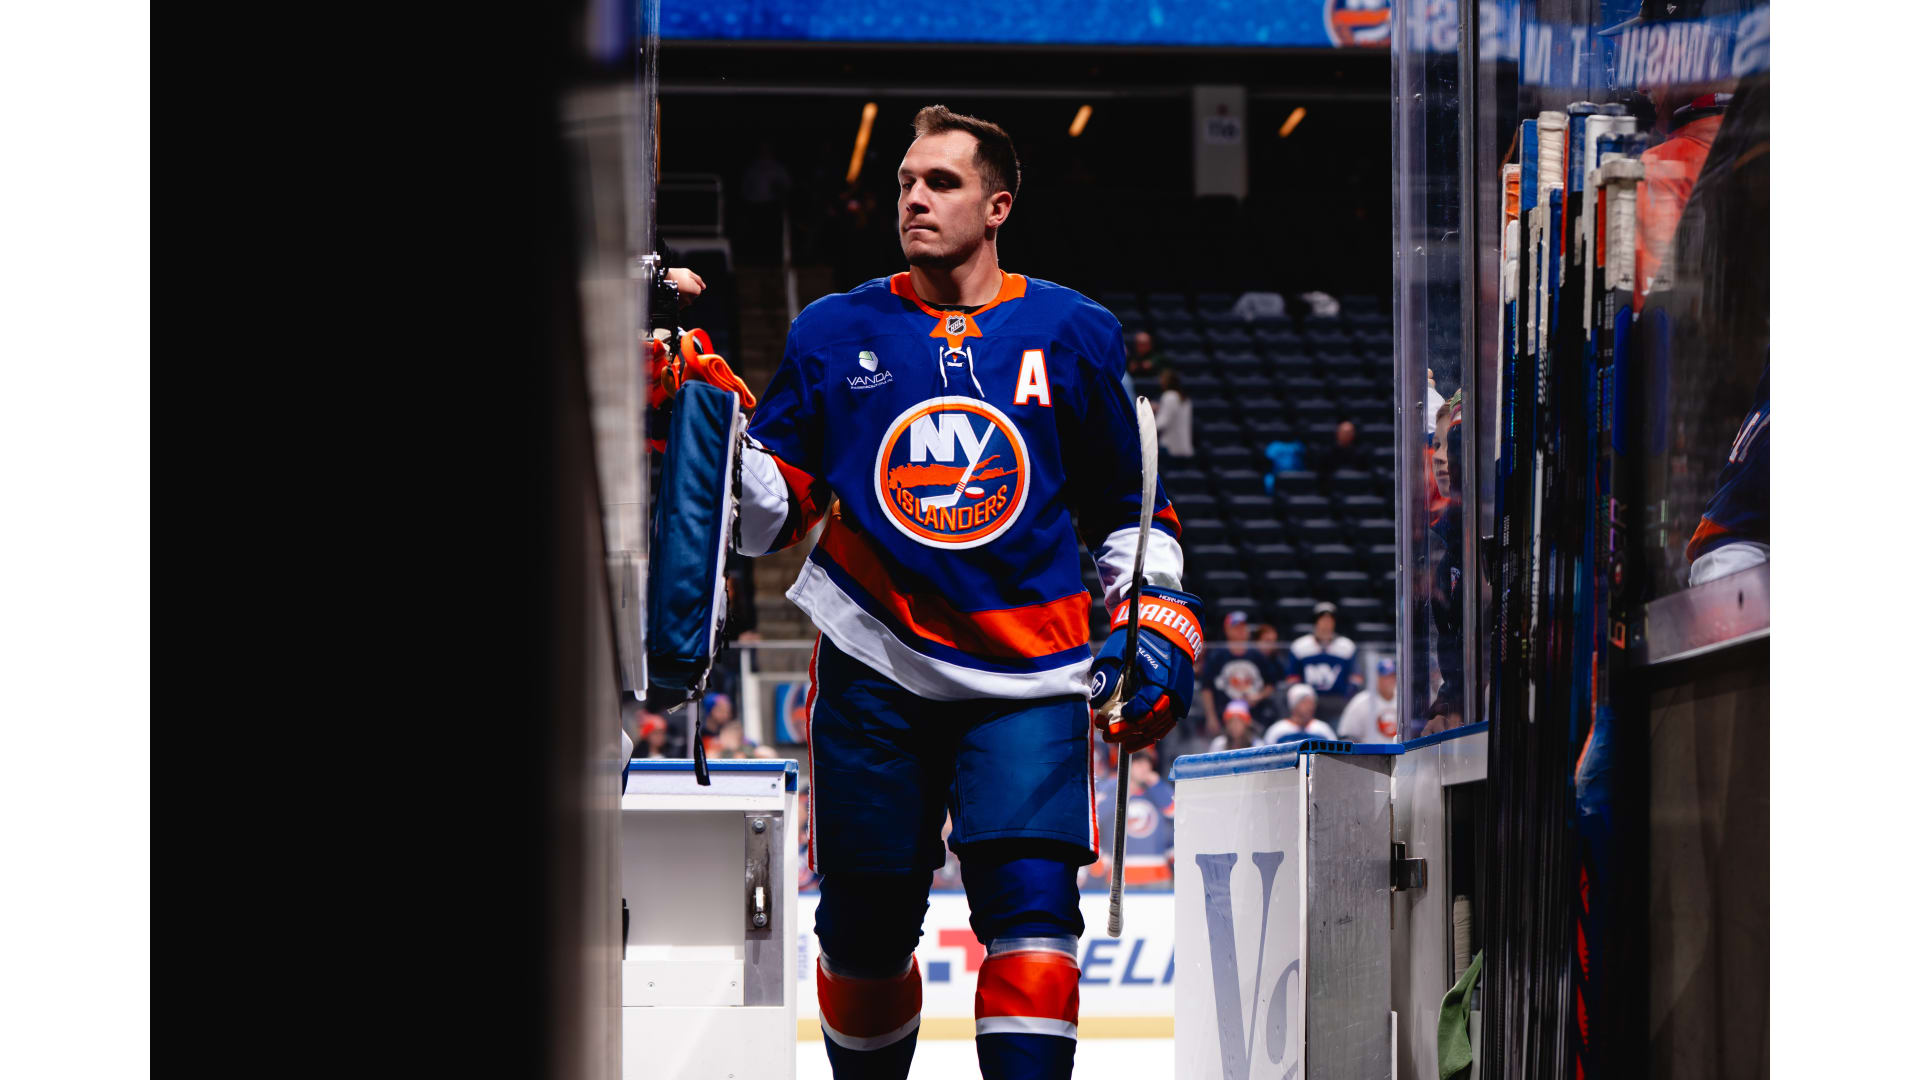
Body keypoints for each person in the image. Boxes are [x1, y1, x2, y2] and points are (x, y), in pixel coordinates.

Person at [723, 105, 1203, 1080]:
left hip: (1030, 676)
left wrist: (1153, 622)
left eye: (940, 182)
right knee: (861, 931)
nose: (914, 198)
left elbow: (1131, 505)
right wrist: (706, 430)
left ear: (997, 207)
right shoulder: (833, 331)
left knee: (1034, 923)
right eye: (905, 181)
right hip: (874, 661)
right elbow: (766, 519)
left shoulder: (1073, 332)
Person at [1091, 746, 1175, 891]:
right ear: (1127, 765)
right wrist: (1122, 793)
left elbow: (1174, 812)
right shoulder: (1110, 788)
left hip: (1157, 875)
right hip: (1120, 876)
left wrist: (1157, 785)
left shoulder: (1156, 790)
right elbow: (1095, 816)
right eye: (1139, 763)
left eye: (1148, 764)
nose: (1145, 768)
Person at [1200, 610, 1285, 734]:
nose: (1241, 630)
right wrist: (1211, 717)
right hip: (1223, 717)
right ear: (1227, 630)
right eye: (1236, 627)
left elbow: (1271, 684)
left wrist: (1259, 696)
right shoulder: (1217, 656)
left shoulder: (1257, 655)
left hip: (1254, 717)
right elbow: (1206, 688)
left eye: (1243, 626)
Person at [1288, 602, 1361, 723]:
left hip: (1337, 701)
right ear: (1316, 622)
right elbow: (1292, 678)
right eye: (1322, 619)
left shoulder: (1346, 646)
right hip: (1308, 702)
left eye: (1330, 620)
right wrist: (1301, 700)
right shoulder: (1300, 646)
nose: (1326, 624)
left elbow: (1355, 679)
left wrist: (1346, 699)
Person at [1337, 658, 1400, 744]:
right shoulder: (1361, 702)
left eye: (1393, 676)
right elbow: (1345, 735)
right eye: (1386, 677)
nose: (1390, 680)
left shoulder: (1402, 701)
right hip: (1370, 751)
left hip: (1399, 751)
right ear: (1377, 678)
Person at [1265, 684, 1337, 744]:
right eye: (1304, 703)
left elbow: (1335, 754)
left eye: (1312, 703)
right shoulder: (1277, 730)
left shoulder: (1323, 729)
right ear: (1293, 705)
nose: (1310, 707)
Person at [1155, 369, 1193, 458]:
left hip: (1170, 447)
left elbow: (1162, 423)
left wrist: (1146, 425)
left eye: (1162, 379)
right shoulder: (1185, 398)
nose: (1160, 381)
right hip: (1184, 446)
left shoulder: (1169, 396)